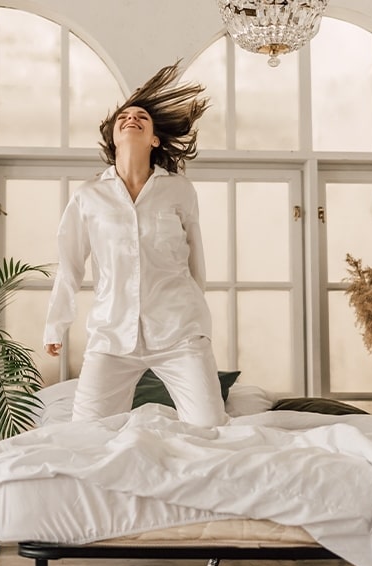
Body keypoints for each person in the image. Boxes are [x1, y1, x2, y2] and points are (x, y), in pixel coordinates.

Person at [42, 61, 228, 427]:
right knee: (86, 432)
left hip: (179, 331)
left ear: (154, 139)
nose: (131, 118)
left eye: (142, 116)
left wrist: (196, 315)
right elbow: (70, 265)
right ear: (113, 137)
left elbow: (196, 260)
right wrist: (55, 324)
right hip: (111, 334)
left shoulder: (179, 190)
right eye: (123, 117)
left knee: (209, 427)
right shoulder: (88, 196)